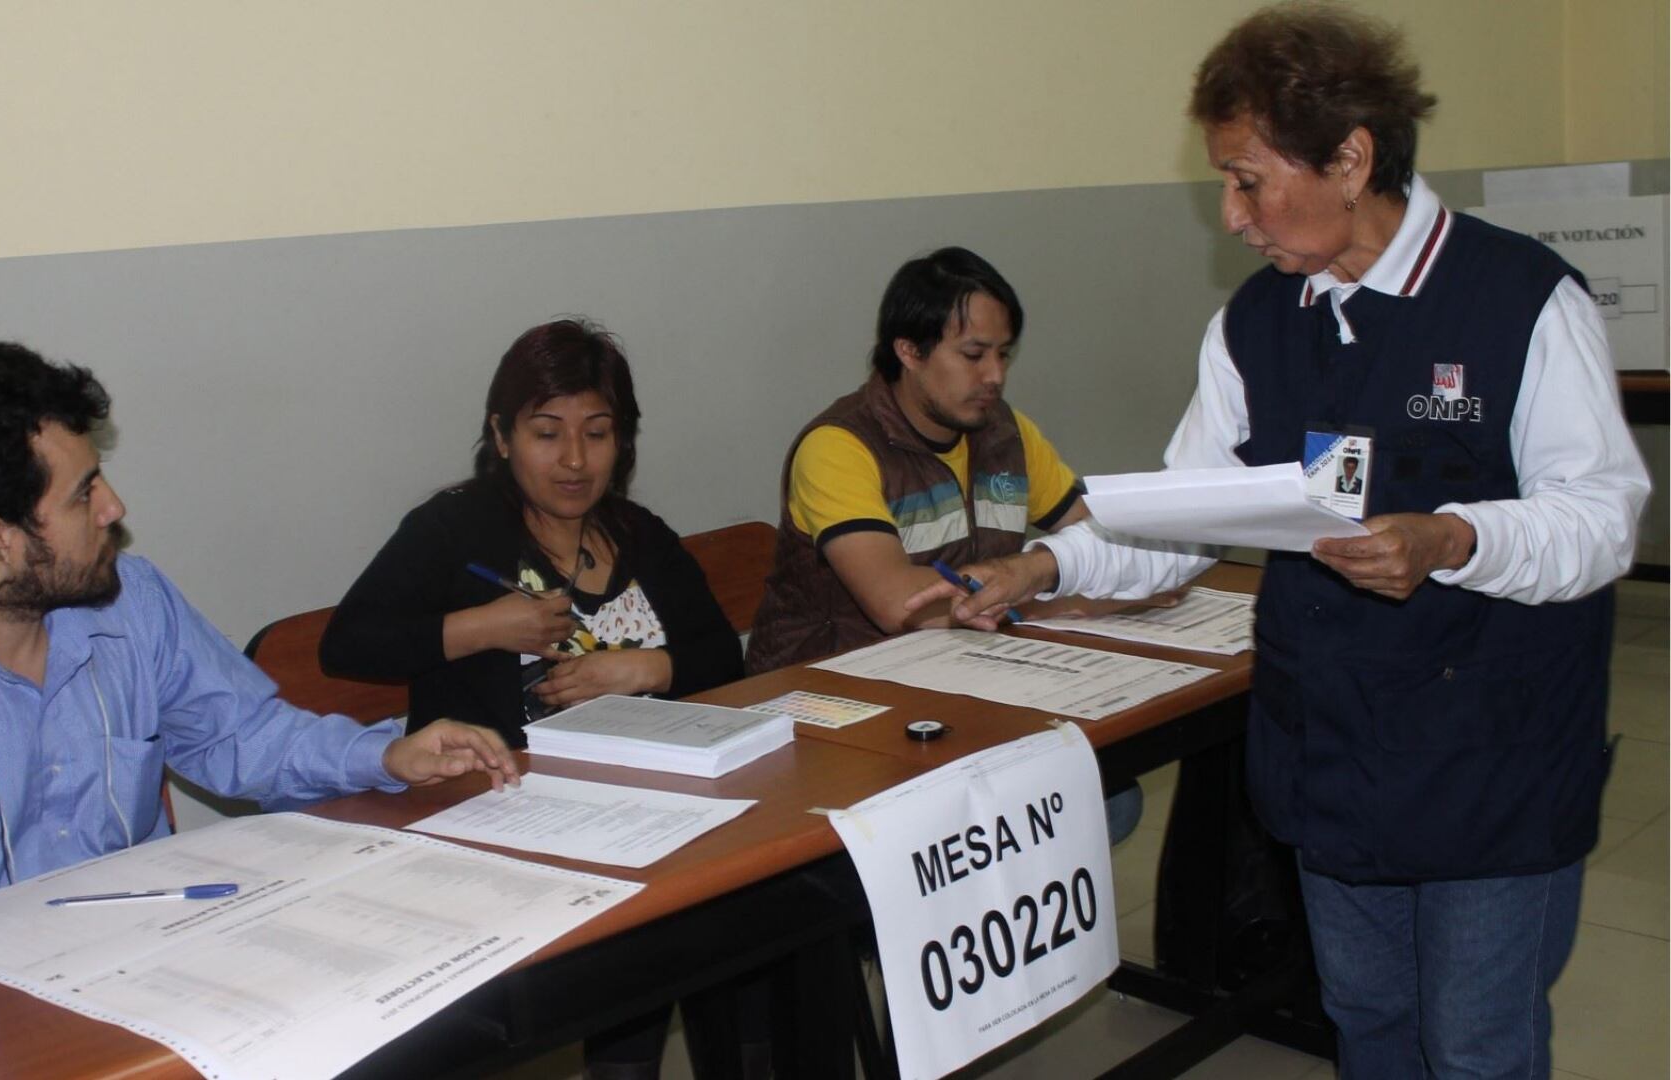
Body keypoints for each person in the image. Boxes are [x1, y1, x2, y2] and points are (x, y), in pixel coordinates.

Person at [910, 6, 1650, 1076]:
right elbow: (1182, 515)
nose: (1232, 215)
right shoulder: (1255, 326)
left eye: (1249, 179)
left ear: (1350, 158)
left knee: (1478, 1046)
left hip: (1495, 761)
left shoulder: (1522, 299)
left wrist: (1450, 539)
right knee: (1369, 1024)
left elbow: (1600, 518)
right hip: (1333, 749)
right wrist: (1047, 562)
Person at [0, 337, 518, 946]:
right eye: (83, 493)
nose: (114, 507)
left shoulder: (131, 602)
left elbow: (244, 738)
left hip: (145, 962)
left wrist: (384, 755)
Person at [320, 319, 746, 1079]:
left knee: (733, 937)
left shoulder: (639, 535)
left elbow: (719, 654)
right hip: (501, 823)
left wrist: (645, 669)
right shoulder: (454, 529)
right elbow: (349, 644)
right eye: (548, 433)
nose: (576, 461)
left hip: (646, 818)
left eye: (598, 433)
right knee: (642, 953)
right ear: (503, 434)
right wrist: (481, 626)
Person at [744, 246, 1147, 840]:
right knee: (1082, 806)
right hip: (834, 705)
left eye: (1003, 354)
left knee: (1110, 795)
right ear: (909, 351)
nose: (995, 376)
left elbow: (1095, 538)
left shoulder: (1006, 433)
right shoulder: (838, 447)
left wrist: (1131, 575)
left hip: (958, 683)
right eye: (973, 355)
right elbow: (902, 602)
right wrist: (1045, 587)